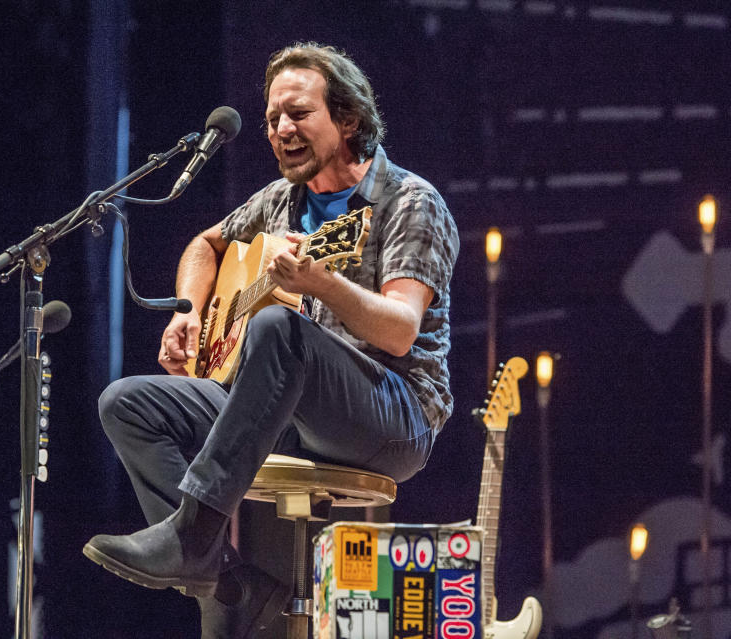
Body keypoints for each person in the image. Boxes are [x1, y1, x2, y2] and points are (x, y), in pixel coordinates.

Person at [85, 42, 459, 637]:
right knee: (126, 403)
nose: (280, 129)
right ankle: (230, 588)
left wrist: (321, 284)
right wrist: (189, 310)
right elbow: (205, 246)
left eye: (298, 113)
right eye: (270, 119)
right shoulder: (282, 202)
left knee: (278, 326)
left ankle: (191, 535)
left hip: (393, 414)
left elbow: (400, 329)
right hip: (294, 411)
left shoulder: (409, 202)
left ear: (348, 119)